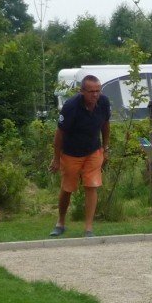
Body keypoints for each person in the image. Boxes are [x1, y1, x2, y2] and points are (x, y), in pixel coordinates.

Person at [49, 75, 111, 237]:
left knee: (92, 186)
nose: (95, 95)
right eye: (91, 91)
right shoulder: (71, 106)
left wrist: (105, 147)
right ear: (82, 91)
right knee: (68, 188)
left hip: (93, 150)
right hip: (71, 152)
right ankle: (61, 222)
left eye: (98, 91)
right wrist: (56, 158)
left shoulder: (103, 103)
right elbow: (59, 134)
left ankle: (88, 228)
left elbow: (105, 125)